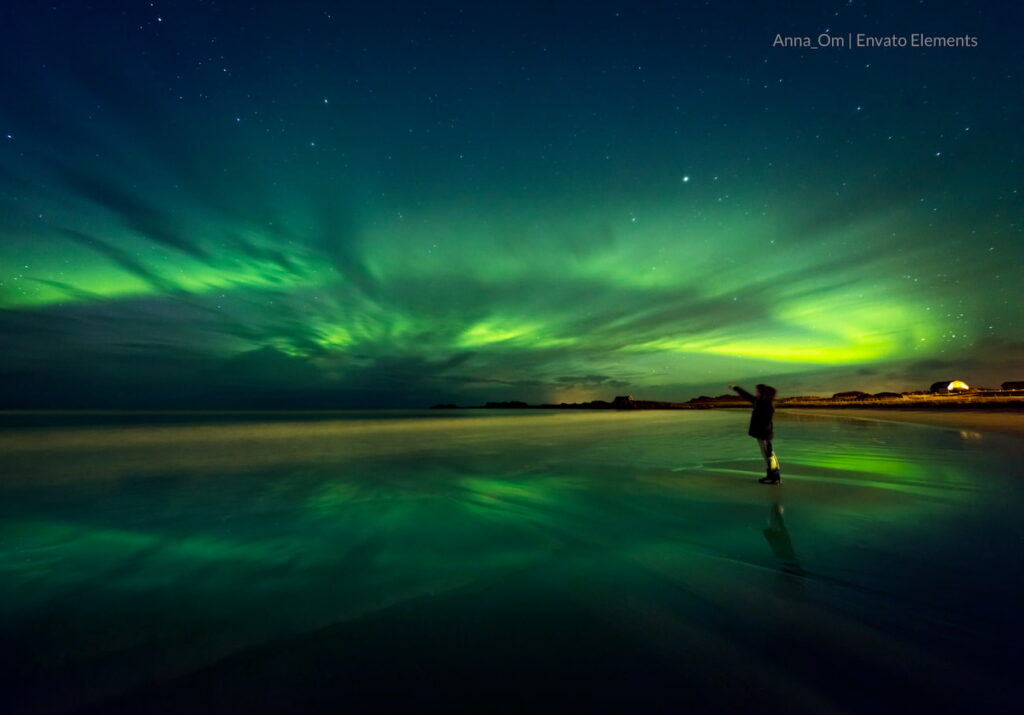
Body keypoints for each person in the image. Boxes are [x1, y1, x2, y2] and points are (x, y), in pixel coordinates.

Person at [728, 383, 781, 484]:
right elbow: (746, 395)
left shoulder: (766, 404)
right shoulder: (760, 402)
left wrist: (763, 433)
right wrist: (736, 388)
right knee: (766, 454)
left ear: (763, 394)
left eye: (757, 392)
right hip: (763, 433)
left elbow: (766, 420)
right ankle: (772, 476)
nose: (756, 393)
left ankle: (774, 478)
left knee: (768, 454)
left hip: (764, 434)